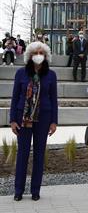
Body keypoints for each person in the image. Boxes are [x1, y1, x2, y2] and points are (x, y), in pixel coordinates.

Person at [10, 41, 57, 201]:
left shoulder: (51, 75)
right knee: (22, 154)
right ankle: (18, 190)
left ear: (46, 56)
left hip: (43, 119)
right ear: (29, 55)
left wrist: (54, 122)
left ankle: (35, 190)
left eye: (41, 53)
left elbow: (54, 99)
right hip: (23, 119)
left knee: (39, 155)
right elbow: (15, 97)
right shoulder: (21, 73)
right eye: (35, 53)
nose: (38, 56)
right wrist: (12, 120)